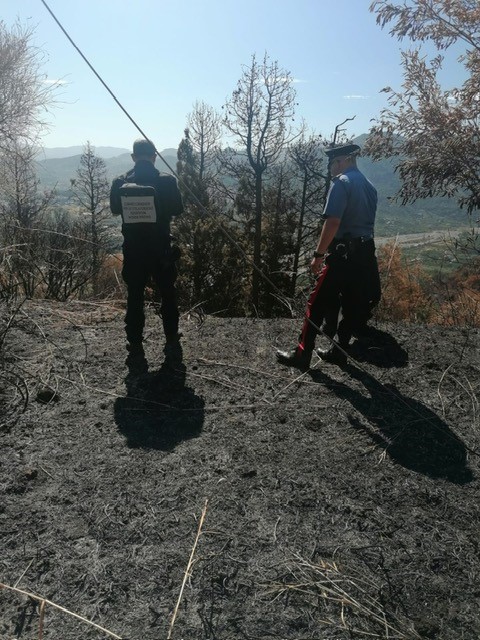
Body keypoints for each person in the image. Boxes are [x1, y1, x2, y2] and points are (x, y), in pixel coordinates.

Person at [276, 142, 380, 369]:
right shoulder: (370, 187)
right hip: (364, 254)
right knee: (352, 304)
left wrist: (318, 255)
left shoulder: (342, 183)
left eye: (332, 163)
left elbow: (333, 221)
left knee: (316, 302)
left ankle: (302, 354)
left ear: (343, 160)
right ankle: (339, 351)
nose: (330, 168)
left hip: (342, 255)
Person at [110, 138, 184, 359]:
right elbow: (178, 209)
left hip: (133, 249)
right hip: (161, 248)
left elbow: (115, 209)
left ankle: (134, 341)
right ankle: (171, 337)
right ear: (154, 156)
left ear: (133, 158)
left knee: (135, 295)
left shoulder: (119, 182)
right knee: (168, 294)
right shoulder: (167, 182)